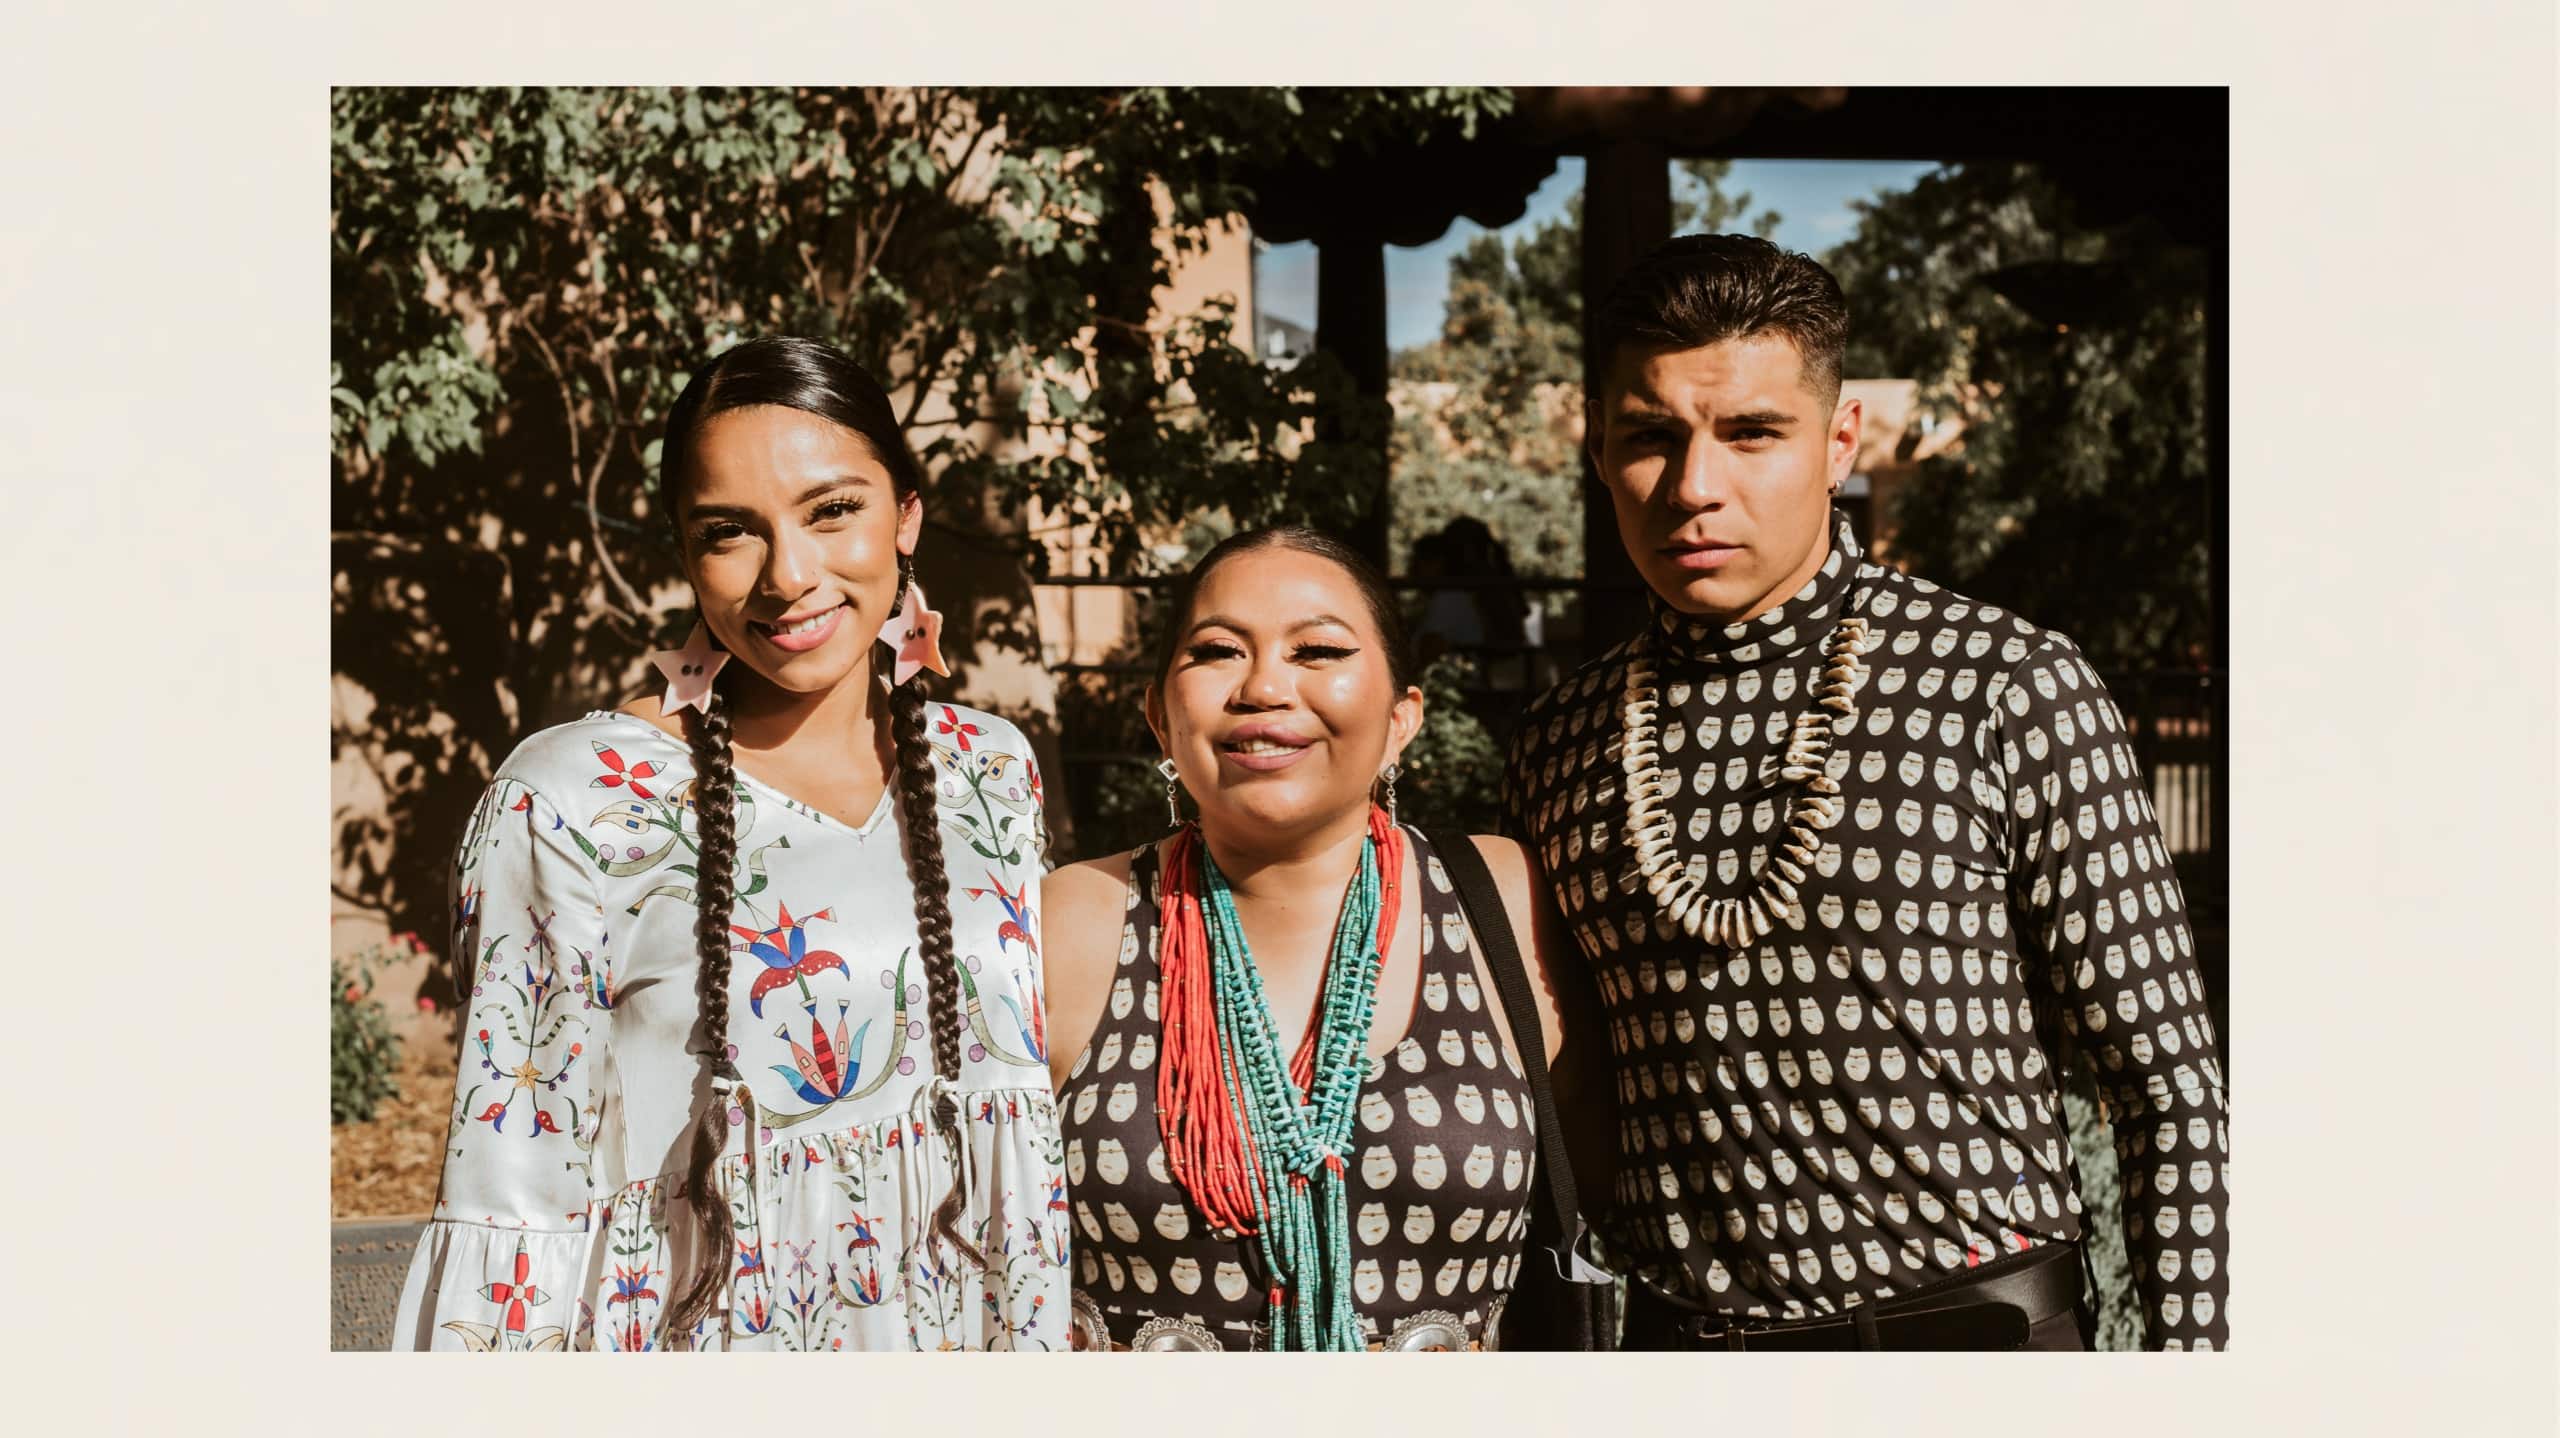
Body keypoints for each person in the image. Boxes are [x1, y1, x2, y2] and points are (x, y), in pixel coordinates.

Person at [1502, 235, 2229, 1351]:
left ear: (1840, 440)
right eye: (1651, 437)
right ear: (1597, 449)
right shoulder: (1561, 741)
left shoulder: (2004, 683)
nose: (1695, 486)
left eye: (1752, 432)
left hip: (1978, 1349)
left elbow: (2166, 1086)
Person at [392, 336, 1068, 1351]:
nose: (789, 575)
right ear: (684, 554)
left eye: (833, 510)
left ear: (907, 519)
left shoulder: (990, 770)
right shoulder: (573, 802)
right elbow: (511, 1189)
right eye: (728, 532)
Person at [1040, 526, 1571, 1351]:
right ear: (1157, 713)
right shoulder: (1072, 918)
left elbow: (1614, 1184)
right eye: (1218, 651)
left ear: (1403, 718)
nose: (1264, 687)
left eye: (1317, 649)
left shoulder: (1500, 900)